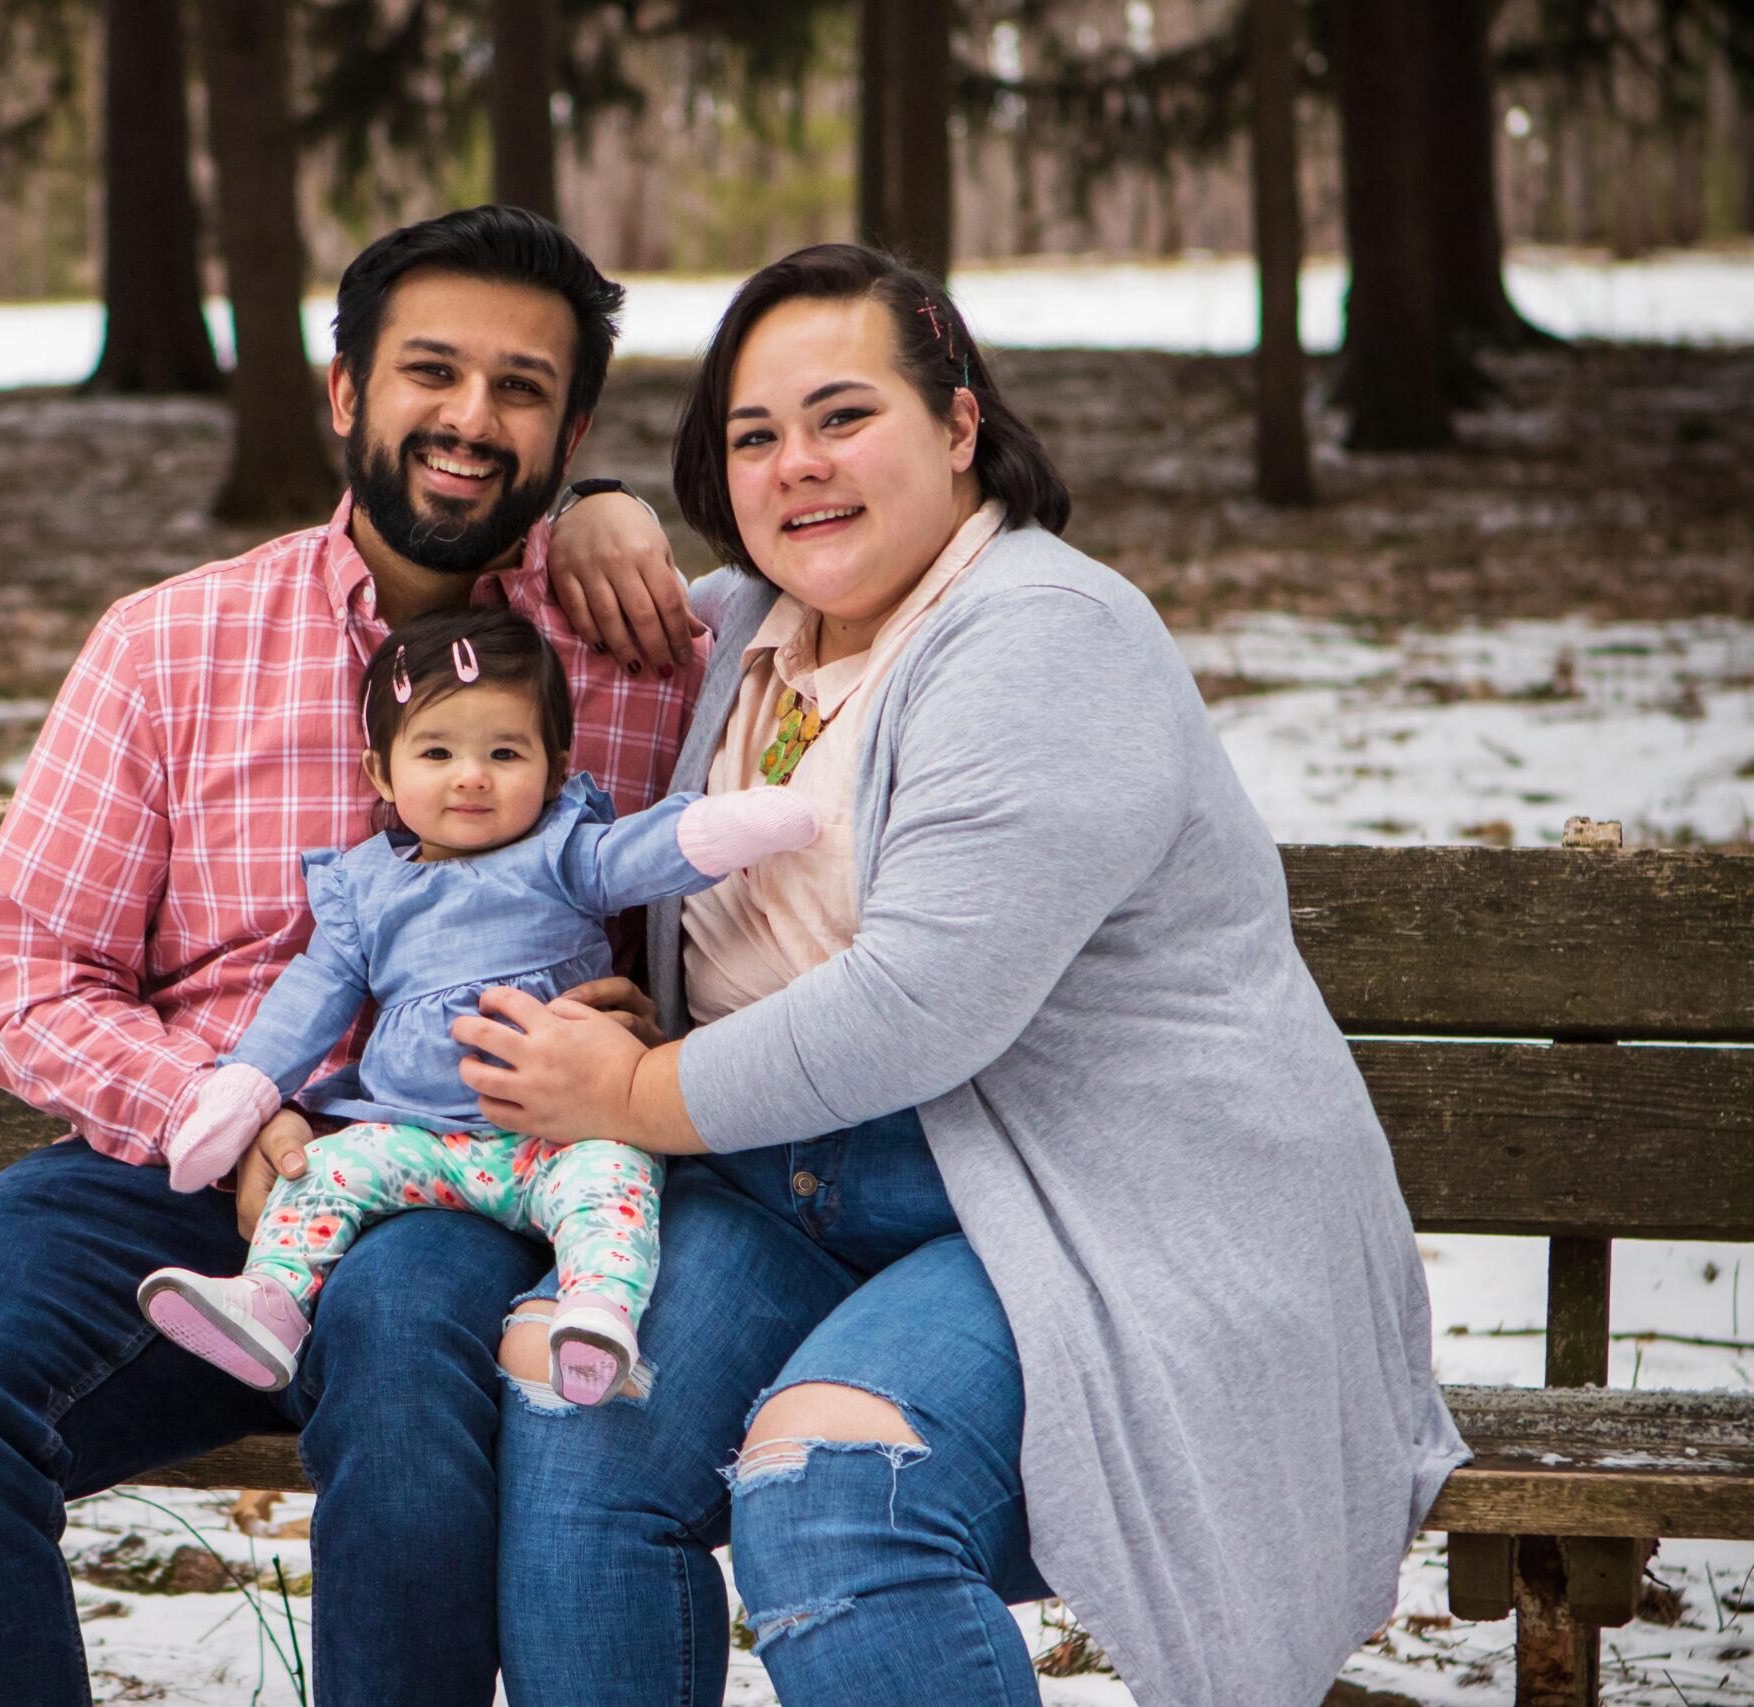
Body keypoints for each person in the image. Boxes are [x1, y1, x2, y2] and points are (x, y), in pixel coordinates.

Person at [453, 245, 1469, 1707]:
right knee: (575, 1413)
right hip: (783, 1180)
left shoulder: (1042, 637)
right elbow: (486, 682)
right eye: (752, 434)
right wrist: (592, 504)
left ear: (959, 425)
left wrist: (632, 1089)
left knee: (834, 1488)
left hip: (1081, 1208)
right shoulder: (743, 626)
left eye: (843, 414)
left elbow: (914, 1004)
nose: (798, 464)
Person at [0, 205, 703, 1707]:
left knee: (410, 1346)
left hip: (464, 1163)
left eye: (524, 389)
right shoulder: (171, 645)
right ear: (345, 392)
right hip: (169, 1155)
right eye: (431, 371)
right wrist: (217, 1118)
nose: (471, 419)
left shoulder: (634, 650)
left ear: (573, 429)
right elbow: (32, 964)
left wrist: (634, 1050)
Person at [138, 605, 817, 1405]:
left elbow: (643, 855)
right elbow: (312, 997)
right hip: (413, 1135)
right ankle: (273, 1302)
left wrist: (729, 826)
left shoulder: (560, 852)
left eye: (504, 751)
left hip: (558, 1134)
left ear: (556, 767)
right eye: (437, 751)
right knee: (321, 1170)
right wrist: (246, 1085)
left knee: (616, 1180)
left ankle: (597, 1315)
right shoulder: (365, 887)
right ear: (382, 774)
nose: (472, 774)